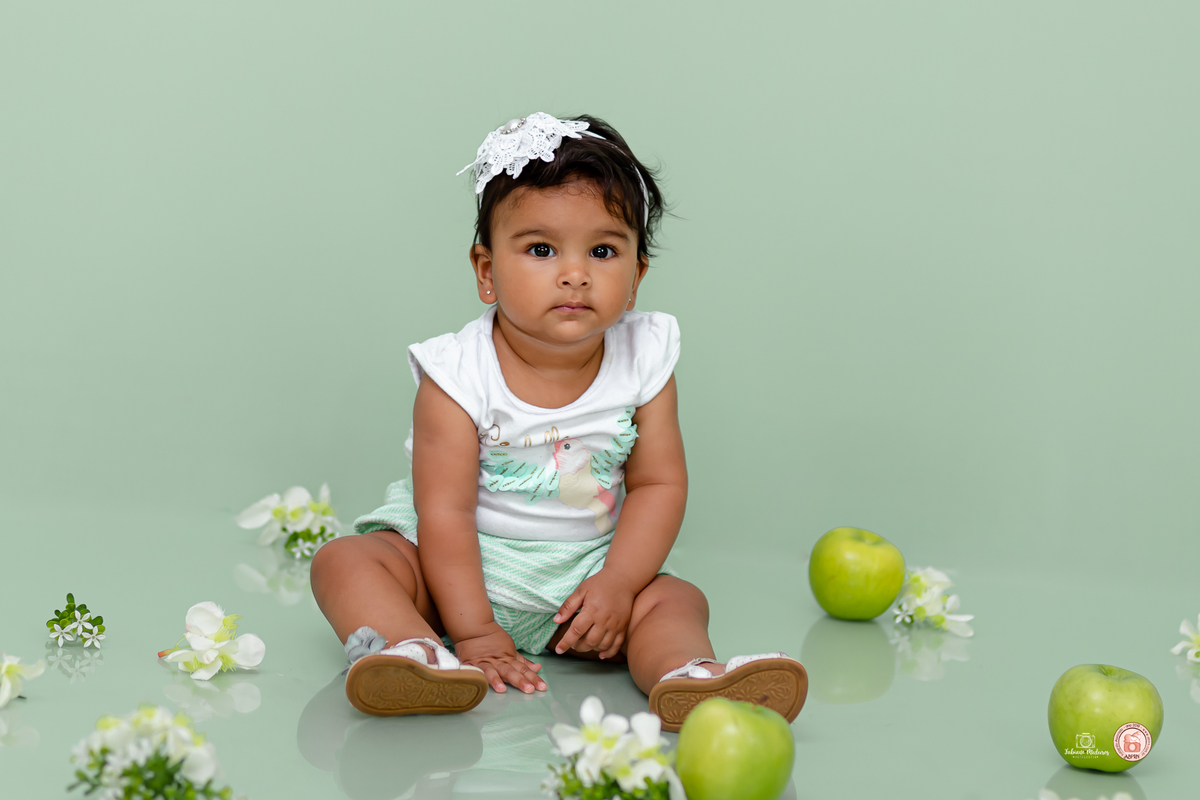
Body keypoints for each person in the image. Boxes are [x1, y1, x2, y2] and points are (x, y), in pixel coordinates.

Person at [310, 112, 807, 732]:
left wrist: (619, 584)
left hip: (586, 579)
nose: (575, 273)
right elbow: (445, 511)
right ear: (487, 271)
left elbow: (659, 484)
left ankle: (687, 676)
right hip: (456, 571)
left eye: (603, 250)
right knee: (346, 560)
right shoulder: (457, 373)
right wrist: (474, 629)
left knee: (676, 599)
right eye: (541, 250)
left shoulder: (644, 358)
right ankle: (413, 652)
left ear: (636, 277)